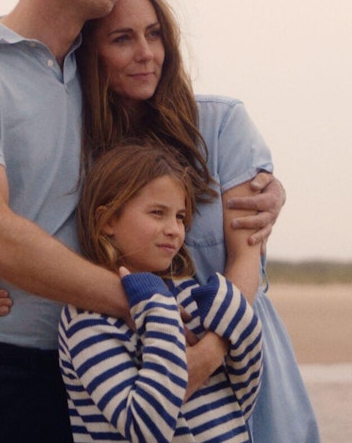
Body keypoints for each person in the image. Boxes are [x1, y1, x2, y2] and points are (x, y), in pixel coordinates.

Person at [0, 0, 285, 443]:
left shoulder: (99, 88)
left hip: (110, 373)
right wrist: (141, 302)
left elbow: (175, 167)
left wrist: (268, 186)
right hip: (9, 369)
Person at [59, 142, 262, 443]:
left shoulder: (189, 293)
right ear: (107, 221)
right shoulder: (86, 319)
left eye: (180, 217)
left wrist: (235, 313)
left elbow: (243, 394)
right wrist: (157, 308)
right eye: (158, 213)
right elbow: (145, 428)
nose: (174, 229)